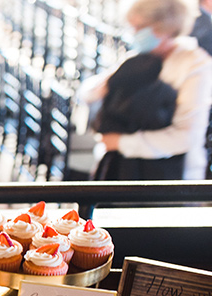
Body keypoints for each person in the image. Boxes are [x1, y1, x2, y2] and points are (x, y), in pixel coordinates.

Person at [79, 0, 212, 180]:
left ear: (162, 27)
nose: (134, 34)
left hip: (168, 177)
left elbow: (186, 136)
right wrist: (107, 85)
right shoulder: (139, 59)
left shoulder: (196, 65)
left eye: (139, 27)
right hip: (118, 169)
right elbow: (88, 93)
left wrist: (120, 142)